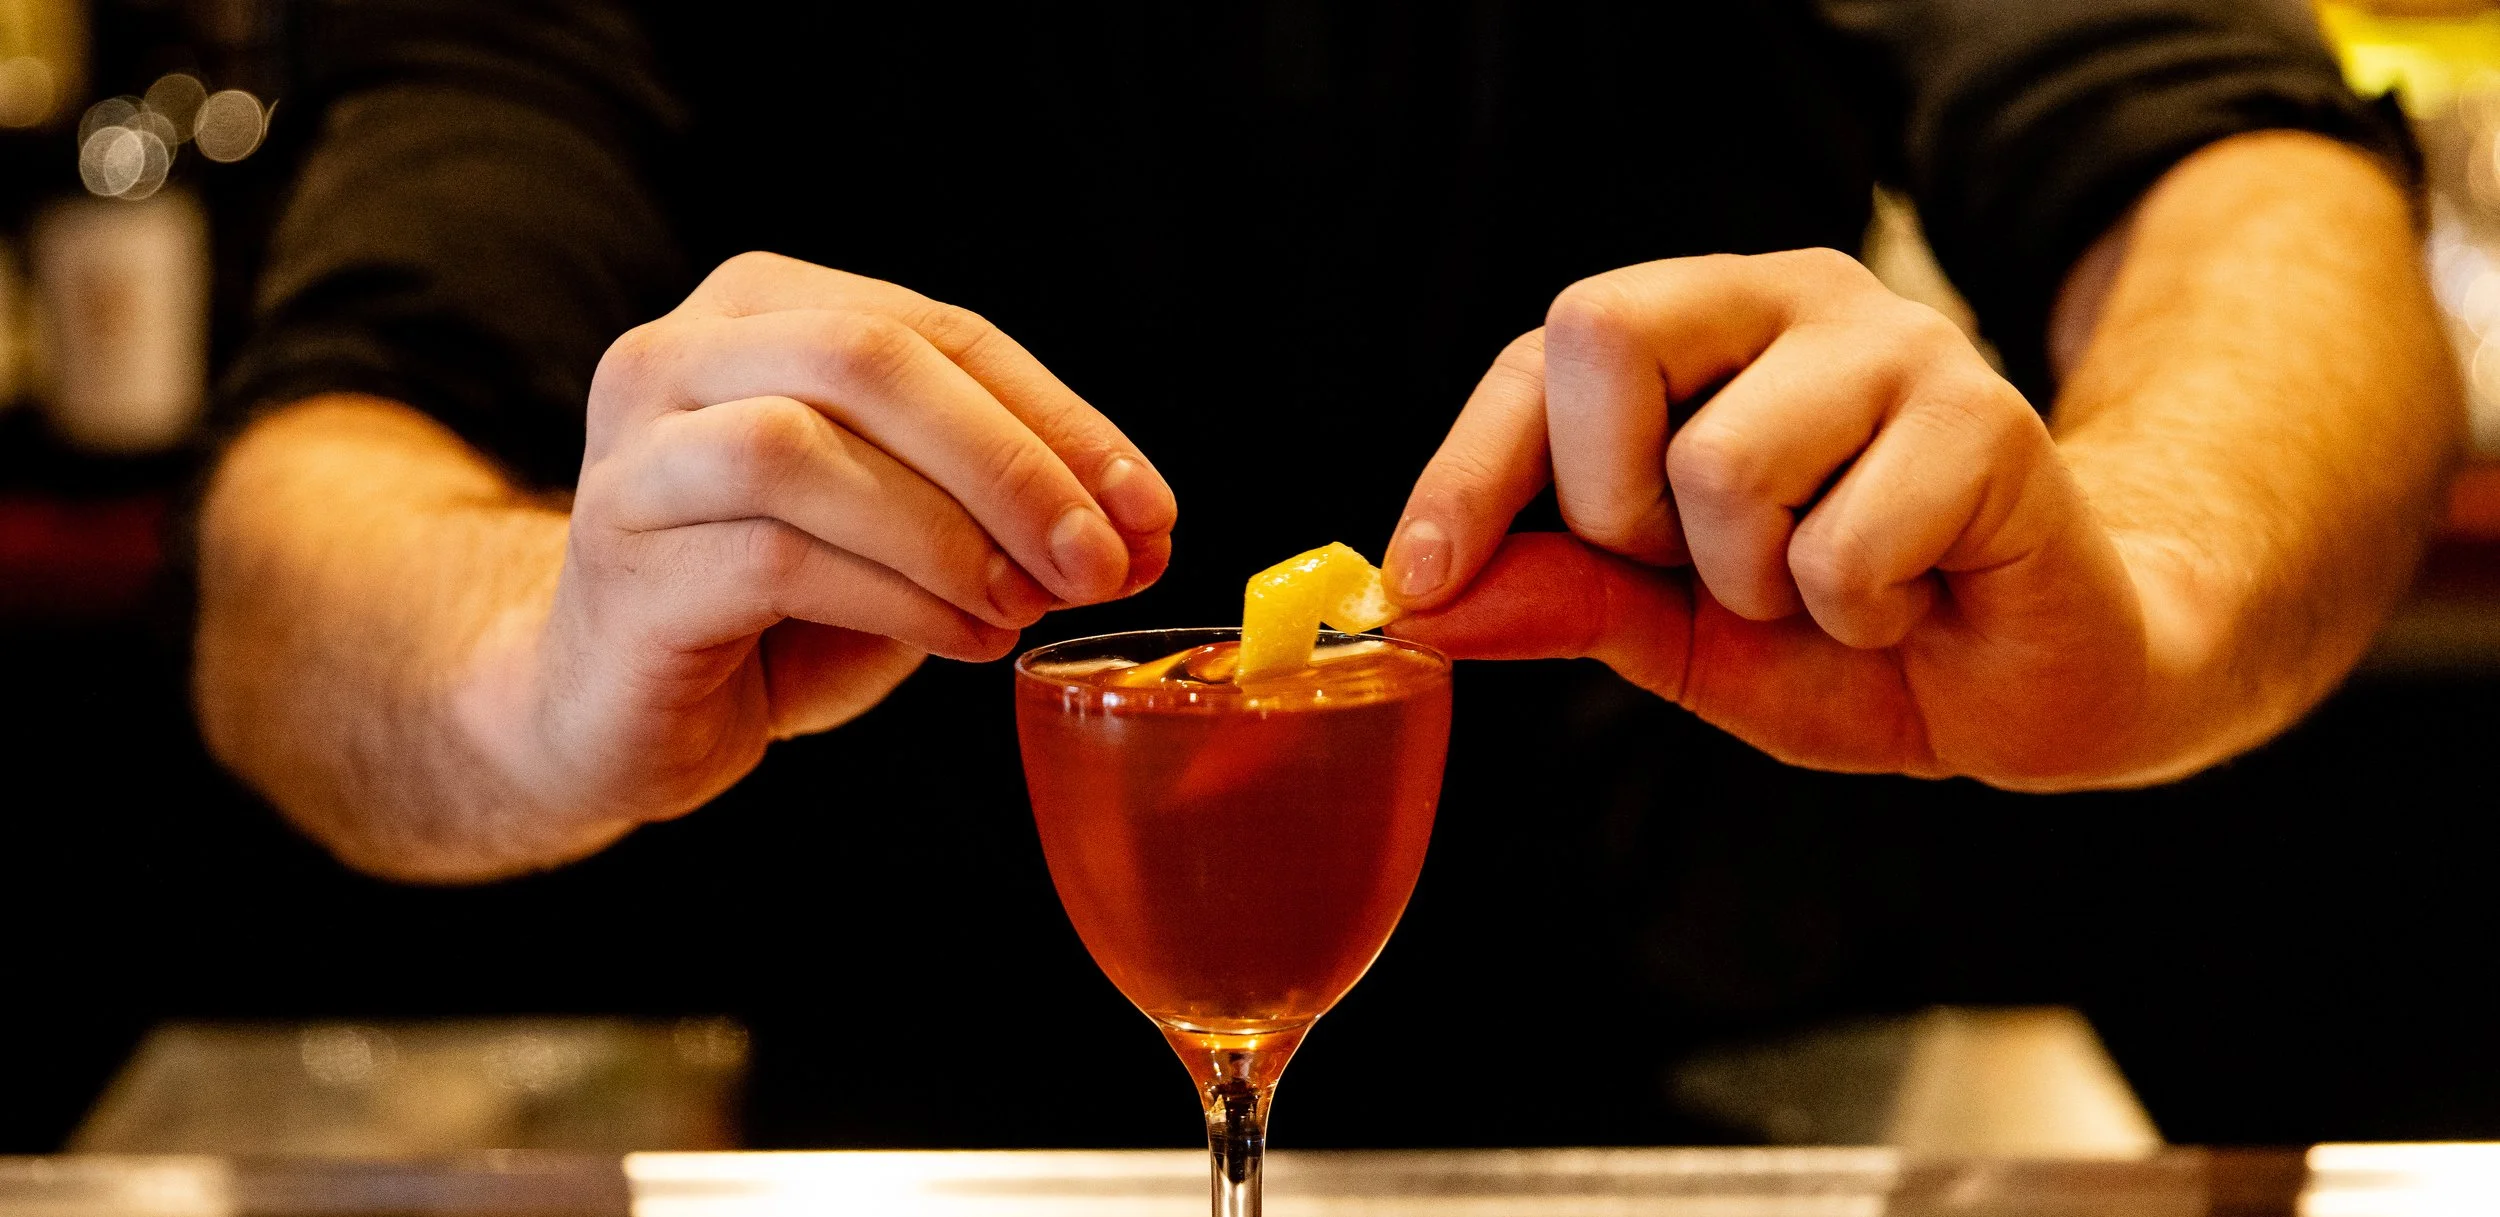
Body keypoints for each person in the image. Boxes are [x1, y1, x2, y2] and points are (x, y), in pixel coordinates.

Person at [192, 0, 2452, 890]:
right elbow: (311, 509)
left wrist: (2143, 580)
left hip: (1702, 1146)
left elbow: (2242, 181)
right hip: (896, 1207)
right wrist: (532, 664)